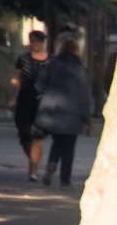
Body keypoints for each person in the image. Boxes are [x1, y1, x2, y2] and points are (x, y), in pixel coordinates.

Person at [33, 37, 91, 189]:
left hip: (52, 111)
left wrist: (44, 93)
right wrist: (86, 119)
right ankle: (65, 180)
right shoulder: (80, 70)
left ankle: (51, 163)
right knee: (69, 147)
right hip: (73, 112)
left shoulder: (52, 66)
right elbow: (84, 96)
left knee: (57, 141)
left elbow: (38, 84)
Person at [9, 30, 49, 181]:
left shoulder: (50, 61)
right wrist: (12, 98)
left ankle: (33, 170)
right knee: (25, 135)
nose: (35, 44)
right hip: (25, 99)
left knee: (37, 137)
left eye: (38, 41)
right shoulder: (22, 59)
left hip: (42, 101)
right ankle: (33, 160)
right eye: (32, 41)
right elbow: (16, 78)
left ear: (43, 42)